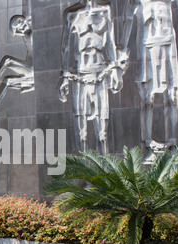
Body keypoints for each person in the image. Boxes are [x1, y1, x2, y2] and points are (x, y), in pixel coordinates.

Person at [121, 0, 178, 162]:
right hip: (147, 42)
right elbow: (128, 18)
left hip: (168, 41)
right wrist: (123, 48)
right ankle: (146, 143)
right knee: (147, 96)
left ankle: (172, 143)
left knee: (172, 93)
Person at [58, 0, 124, 154]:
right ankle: (83, 174)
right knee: (81, 133)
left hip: (100, 72)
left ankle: (105, 171)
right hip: (80, 74)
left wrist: (115, 69)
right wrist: (63, 76)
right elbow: (65, 46)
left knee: (103, 133)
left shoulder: (105, 10)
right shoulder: (72, 14)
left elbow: (111, 42)